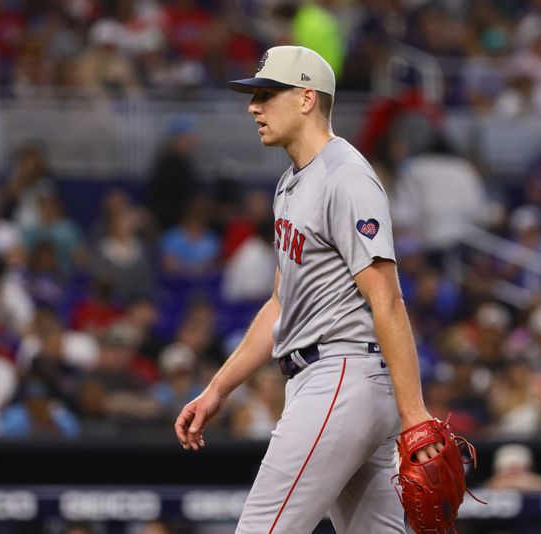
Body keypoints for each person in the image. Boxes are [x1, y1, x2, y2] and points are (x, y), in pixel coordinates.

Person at [174, 46, 440, 533]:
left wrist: (415, 413)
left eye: (266, 94)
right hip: (330, 380)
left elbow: (388, 298)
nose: (253, 107)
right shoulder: (291, 184)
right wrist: (219, 388)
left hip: (341, 377)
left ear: (306, 98)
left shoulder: (347, 178)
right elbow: (280, 305)